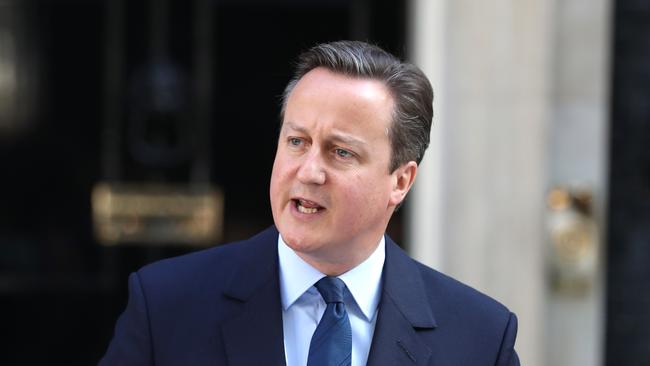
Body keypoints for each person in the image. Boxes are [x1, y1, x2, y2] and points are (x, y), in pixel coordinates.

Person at [100, 40, 520, 366]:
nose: (308, 171)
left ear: (401, 181)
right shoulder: (167, 306)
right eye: (297, 142)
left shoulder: (479, 336)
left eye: (341, 152)